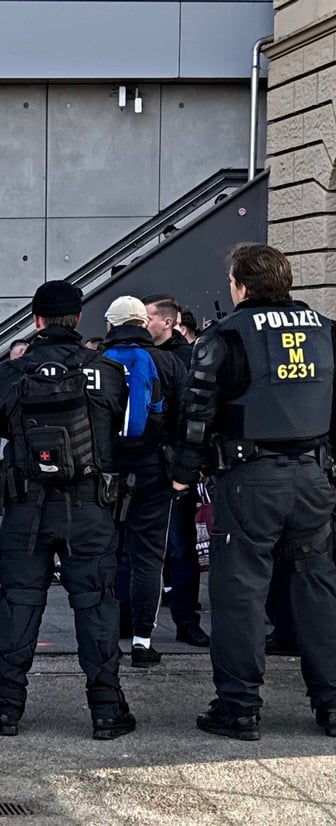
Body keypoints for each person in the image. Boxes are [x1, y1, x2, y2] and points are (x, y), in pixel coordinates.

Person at [172, 243, 336, 740]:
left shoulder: (225, 337)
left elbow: (197, 416)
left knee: (239, 593)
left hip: (249, 480)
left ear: (241, 286)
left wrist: (183, 473)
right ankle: (330, 704)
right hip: (314, 478)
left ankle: (239, 707)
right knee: (318, 589)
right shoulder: (326, 332)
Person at [0, 280, 135, 740]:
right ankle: (106, 709)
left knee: (19, 603)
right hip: (90, 507)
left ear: (36, 320)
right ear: (79, 319)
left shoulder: (9, 373)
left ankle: (6, 706)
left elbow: (0, 422)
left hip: (27, 507)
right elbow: (120, 432)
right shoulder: (106, 371)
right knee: (96, 605)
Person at [99, 297, 188, 664]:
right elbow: (186, 418)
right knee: (149, 557)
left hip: (105, 472)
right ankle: (142, 641)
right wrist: (184, 472)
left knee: (105, 552)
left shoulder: (96, 363)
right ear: (143, 323)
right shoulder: (168, 362)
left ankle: (103, 635)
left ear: (111, 325)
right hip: (155, 470)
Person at [144, 294, 209, 648]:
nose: (143, 323)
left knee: (181, 548)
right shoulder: (143, 355)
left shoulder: (186, 359)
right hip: (148, 461)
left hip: (173, 465)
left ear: (168, 322)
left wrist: (187, 467)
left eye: (148, 317)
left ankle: (187, 620)